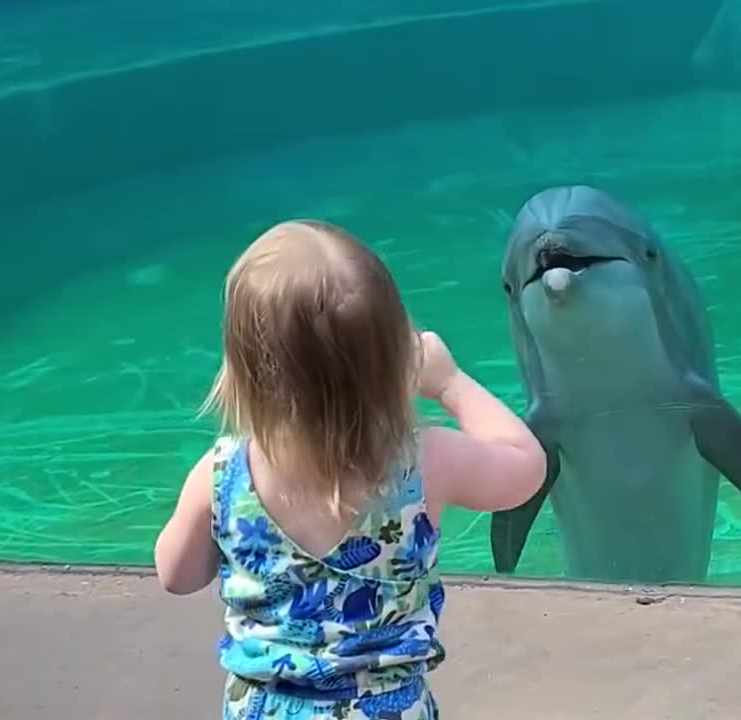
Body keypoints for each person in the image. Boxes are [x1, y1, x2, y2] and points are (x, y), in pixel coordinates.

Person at [153, 220, 547, 720]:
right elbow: (525, 468)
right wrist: (450, 383)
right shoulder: (424, 460)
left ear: (242, 370)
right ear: (396, 358)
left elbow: (177, 575)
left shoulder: (221, 474)